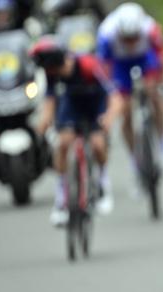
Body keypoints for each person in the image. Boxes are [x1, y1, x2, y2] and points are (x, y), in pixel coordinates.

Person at [30, 35, 121, 226]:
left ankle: (102, 184)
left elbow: (114, 94)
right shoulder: (51, 75)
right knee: (63, 143)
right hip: (71, 105)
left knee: (97, 144)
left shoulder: (89, 66)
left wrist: (109, 117)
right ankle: (62, 199)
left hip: (95, 104)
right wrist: (42, 125)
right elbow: (50, 102)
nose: (51, 71)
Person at [96, 2, 163, 178]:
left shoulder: (151, 29)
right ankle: (135, 160)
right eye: (126, 39)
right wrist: (112, 93)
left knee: (154, 95)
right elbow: (104, 68)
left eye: (134, 38)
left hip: (144, 59)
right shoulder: (106, 33)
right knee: (125, 113)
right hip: (120, 65)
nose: (131, 43)